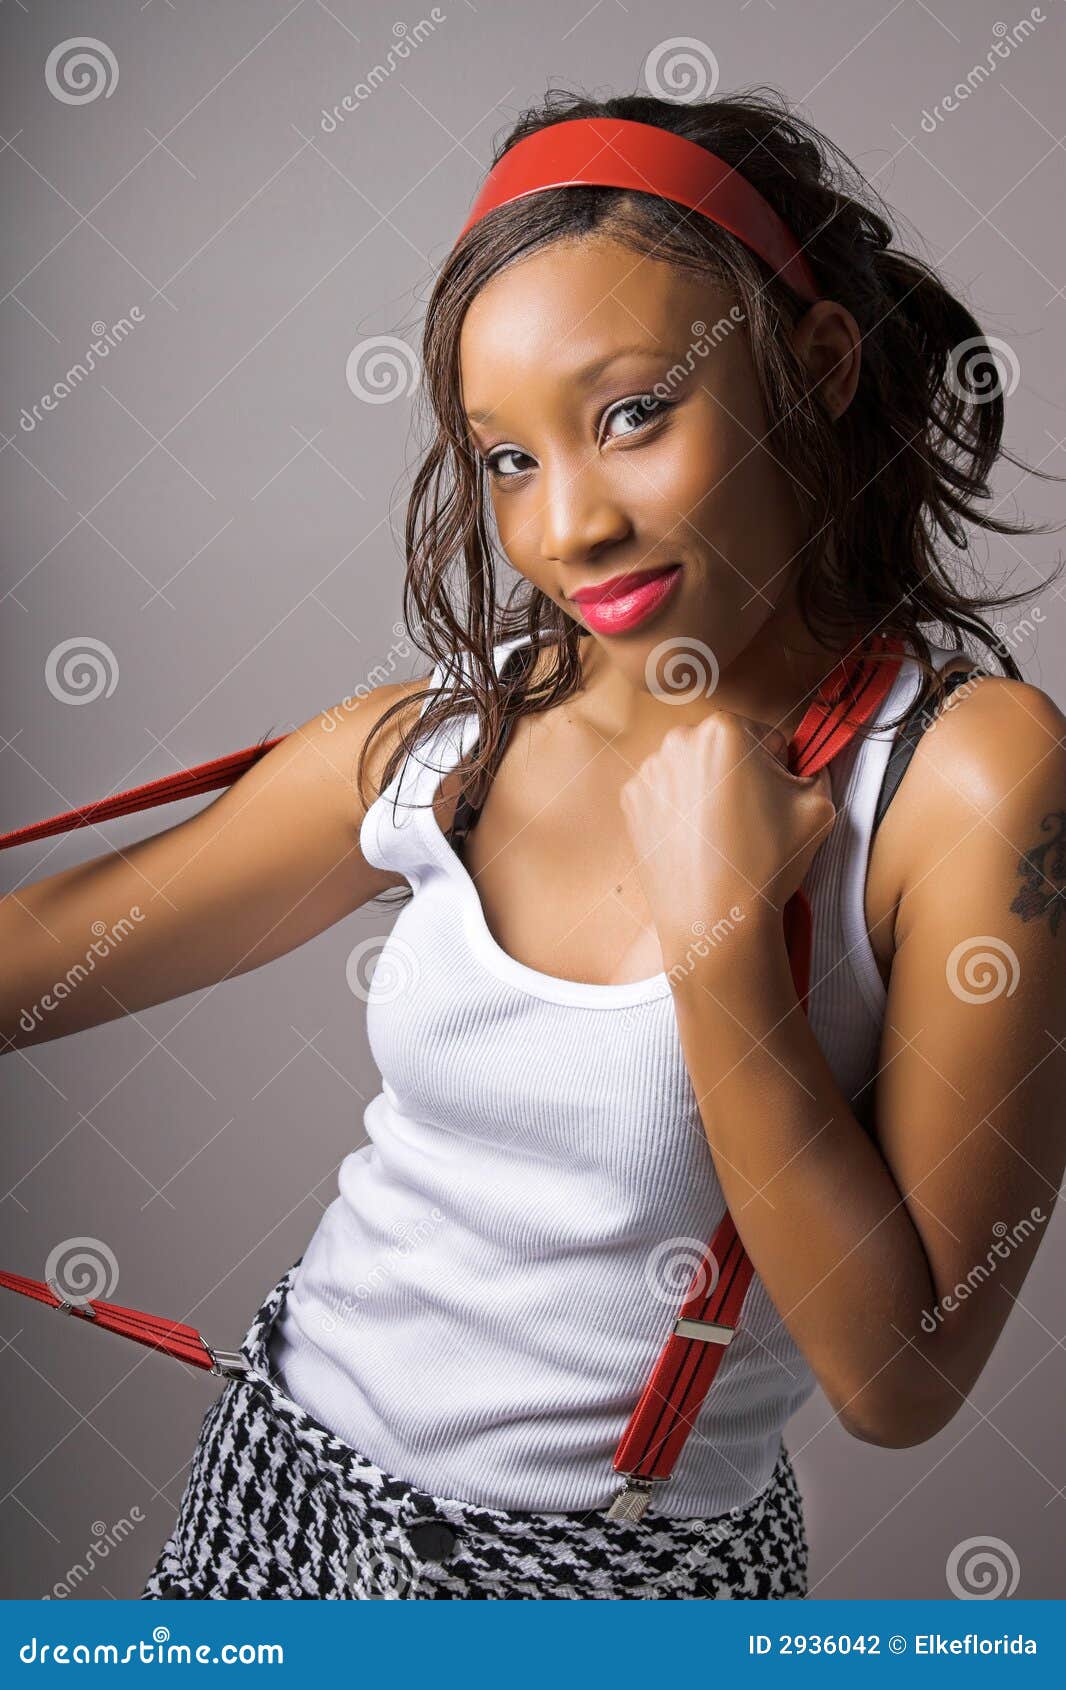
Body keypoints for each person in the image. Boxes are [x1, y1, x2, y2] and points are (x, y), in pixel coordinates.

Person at [3, 87, 1065, 1602]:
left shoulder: (968, 779)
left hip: (610, 1585)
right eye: (506, 458)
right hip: (274, 1501)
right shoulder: (449, 743)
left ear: (816, 367)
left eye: (631, 414)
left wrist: (720, 949)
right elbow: (32, 966)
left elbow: (898, 1380)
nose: (566, 526)